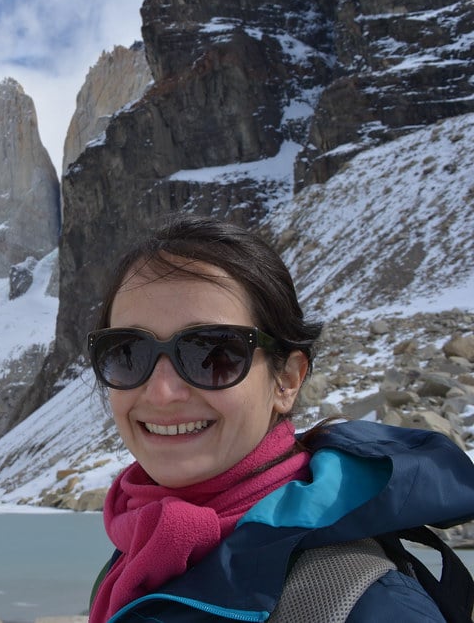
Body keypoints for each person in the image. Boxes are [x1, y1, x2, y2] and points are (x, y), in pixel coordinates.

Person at [85, 213, 474, 623]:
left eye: (212, 354)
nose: (162, 393)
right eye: (127, 352)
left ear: (287, 378)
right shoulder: (143, 550)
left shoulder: (366, 606)